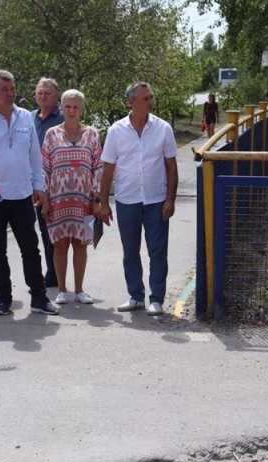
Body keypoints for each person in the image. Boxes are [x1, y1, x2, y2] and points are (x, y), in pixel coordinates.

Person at [0, 70, 57, 317]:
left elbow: (34, 157)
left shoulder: (26, 118)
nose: (10, 93)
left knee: (31, 249)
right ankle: (4, 300)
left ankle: (39, 298)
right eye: (4, 89)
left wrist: (39, 186)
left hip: (22, 196)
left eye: (13, 88)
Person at [97, 82, 178, 316]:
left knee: (157, 251)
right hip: (127, 201)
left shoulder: (163, 128)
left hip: (156, 200)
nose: (151, 102)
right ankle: (135, 295)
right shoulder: (116, 130)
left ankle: (156, 299)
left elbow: (171, 167)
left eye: (151, 97)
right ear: (131, 102)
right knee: (130, 251)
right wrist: (104, 203)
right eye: (146, 99)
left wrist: (170, 199)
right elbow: (108, 169)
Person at [41, 89, 103, 305]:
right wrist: (45, 200)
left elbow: (99, 168)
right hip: (58, 201)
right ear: (62, 108)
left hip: (84, 201)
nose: (71, 111)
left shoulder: (92, 135)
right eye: (67, 106)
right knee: (59, 244)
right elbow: (44, 169)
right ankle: (61, 290)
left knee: (80, 244)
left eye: (76, 107)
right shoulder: (51, 134)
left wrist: (96, 200)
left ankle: (79, 290)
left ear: (82, 109)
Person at [30, 77, 64, 287]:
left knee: (52, 228)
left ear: (56, 96)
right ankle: (49, 272)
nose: (42, 97)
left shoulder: (63, 117)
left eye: (47, 93)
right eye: (39, 93)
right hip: (31, 181)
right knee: (40, 228)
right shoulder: (30, 117)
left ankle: (53, 273)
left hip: (55, 183)